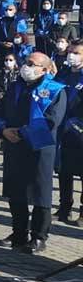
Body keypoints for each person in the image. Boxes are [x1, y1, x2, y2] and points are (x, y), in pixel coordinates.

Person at [0, 52, 66, 254]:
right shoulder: (15, 86)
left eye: (32, 64)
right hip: (13, 145)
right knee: (15, 191)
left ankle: (39, 237)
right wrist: (3, 130)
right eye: (26, 62)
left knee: (40, 193)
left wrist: (22, 133)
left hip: (39, 147)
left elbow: (52, 120)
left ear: (44, 69)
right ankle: (19, 233)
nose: (27, 66)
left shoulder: (55, 90)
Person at [56, 43, 83, 225]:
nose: (71, 56)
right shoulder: (64, 74)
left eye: (76, 53)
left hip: (80, 130)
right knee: (64, 171)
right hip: (63, 130)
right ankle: (64, 208)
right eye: (70, 52)